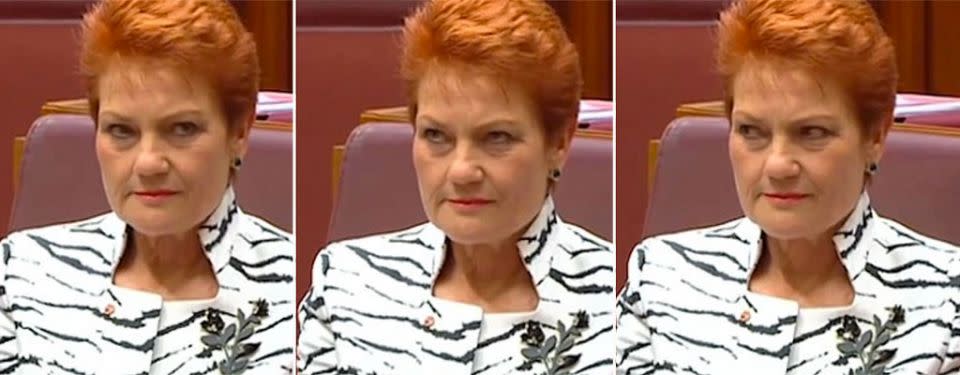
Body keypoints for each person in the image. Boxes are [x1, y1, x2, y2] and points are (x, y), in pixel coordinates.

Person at [616, 0, 960, 373]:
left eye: (812, 133)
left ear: (875, 136)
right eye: (751, 131)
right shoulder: (662, 278)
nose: (778, 165)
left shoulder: (945, 303)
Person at [298, 0, 613, 373]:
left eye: (496, 137)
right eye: (436, 135)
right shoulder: (347, 282)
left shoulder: (612, 302)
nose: (462, 171)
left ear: (559, 141)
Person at [0, 0, 294, 373]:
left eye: (182, 129)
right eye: (121, 131)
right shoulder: (22, 273)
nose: (148, 163)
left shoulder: (292, 287)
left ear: (239, 131)